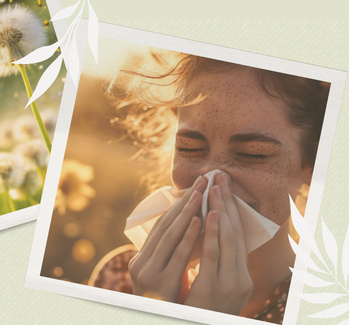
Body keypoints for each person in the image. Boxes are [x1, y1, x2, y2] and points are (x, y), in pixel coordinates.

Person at [94, 50, 329, 323]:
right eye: (189, 148)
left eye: (252, 153)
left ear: (314, 163)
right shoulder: (122, 276)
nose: (210, 176)